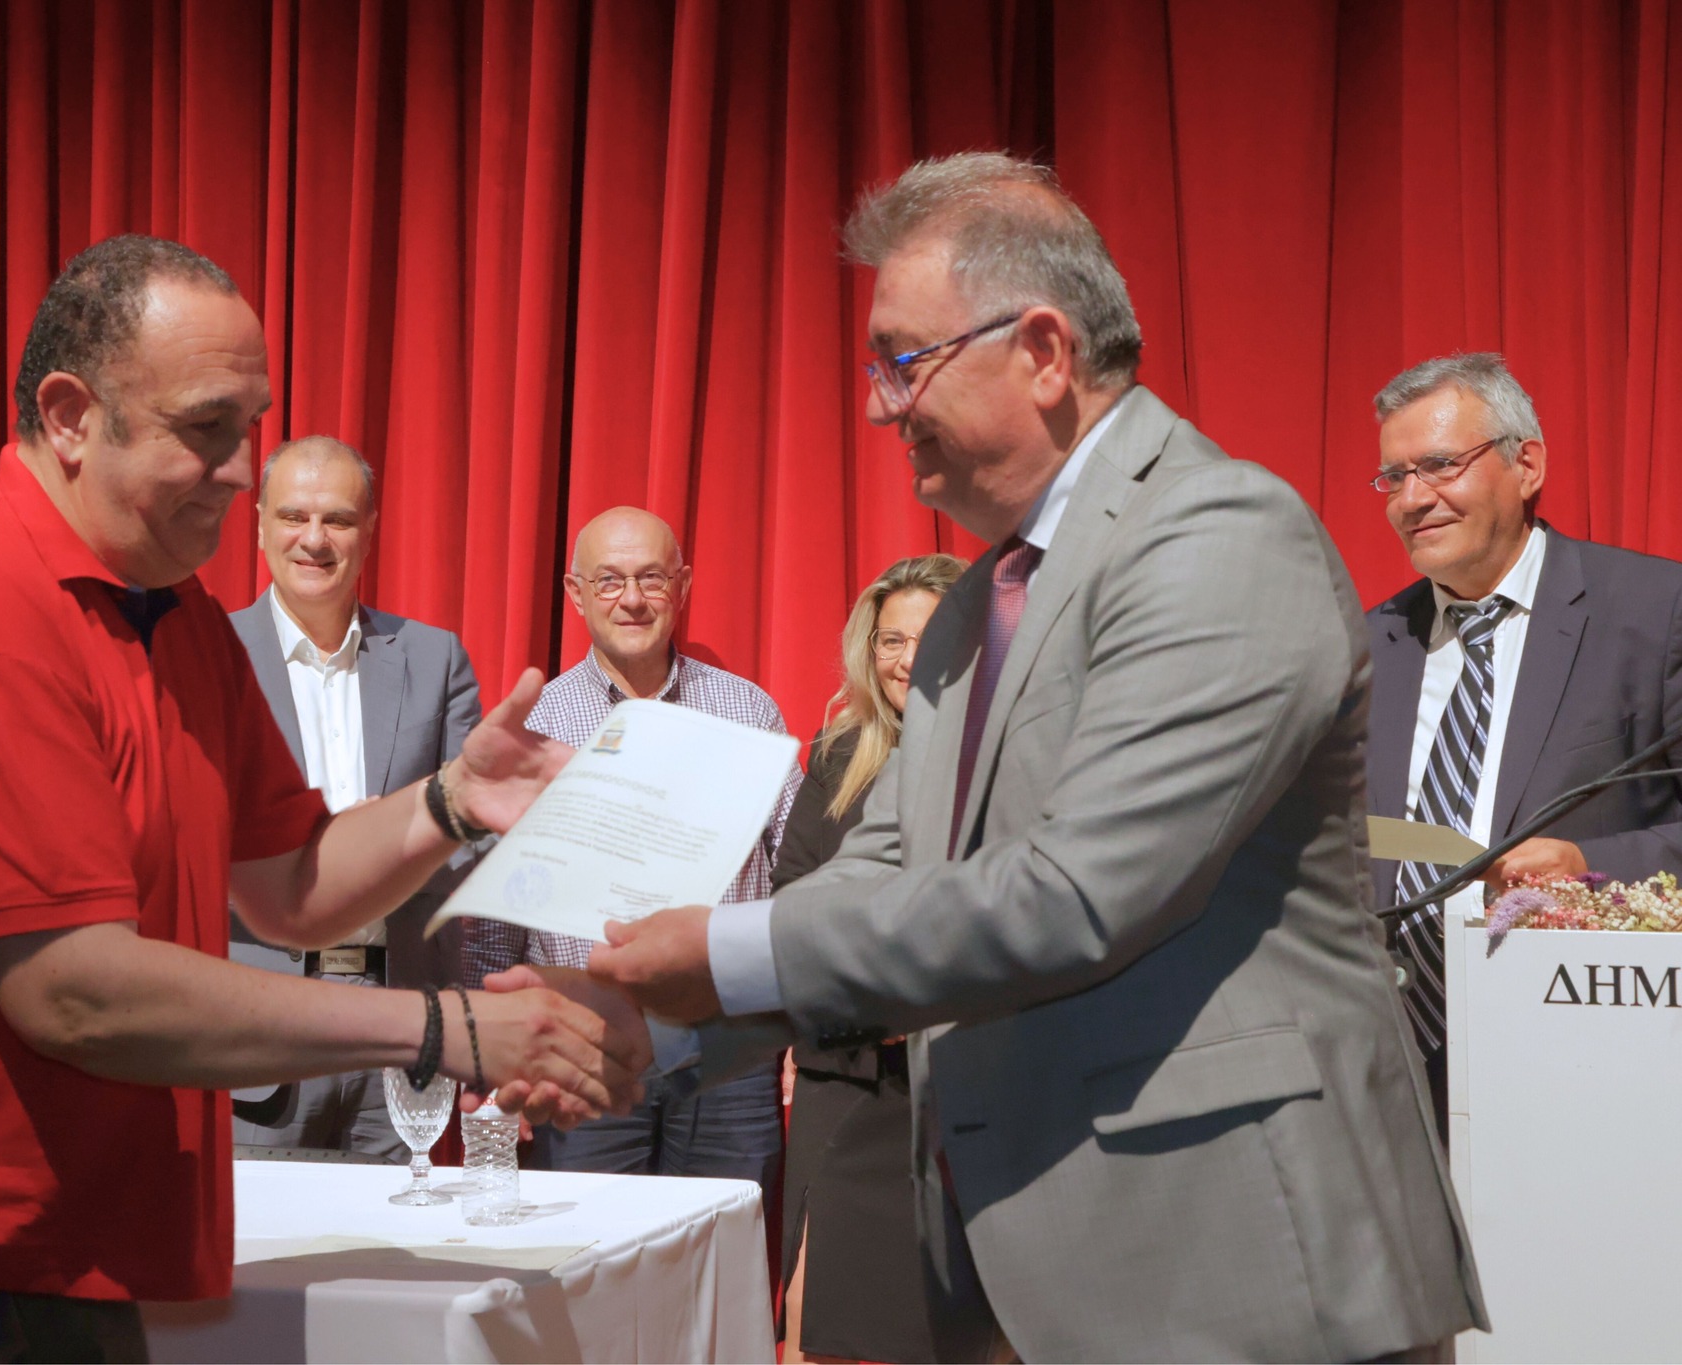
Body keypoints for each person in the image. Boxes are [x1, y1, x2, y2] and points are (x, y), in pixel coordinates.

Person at [0, 235, 645, 1362]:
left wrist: (451, 800)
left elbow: (290, 885)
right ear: (71, 416)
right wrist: (441, 1029)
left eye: (250, 426)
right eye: (205, 428)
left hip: (45, 1244)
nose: (242, 470)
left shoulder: (173, 614)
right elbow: (75, 992)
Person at [564, 153, 1485, 1361]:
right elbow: (886, 864)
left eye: (902, 361)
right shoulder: (975, 602)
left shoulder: (1215, 532)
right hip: (1024, 1260)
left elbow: (1077, 892)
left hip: (1233, 1263)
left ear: (1043, 352)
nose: (878, 407)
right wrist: (648, 1017)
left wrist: (730, 953)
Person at [1365, 351, 1682, 1126]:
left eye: (1440, 465)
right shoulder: (1368, 645)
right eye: (1394, 477)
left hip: (1587, 1065)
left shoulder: (1656, 611)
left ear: (1527, 463)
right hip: (1392, 1071)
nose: (1413, 498)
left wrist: (1589, 868)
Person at [463, 506, 800, 1192]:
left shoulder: (748, 714)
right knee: (587, 1246)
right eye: (610, 580)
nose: (633, 599)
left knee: (718, 1241)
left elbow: (795, 867)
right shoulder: (537, 725)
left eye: (651, 578)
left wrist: (798, 1013)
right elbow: (497, 908)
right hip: (579, 1044)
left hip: (727, 1043)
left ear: (682, 585)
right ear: (575, 593)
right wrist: (489, 1048)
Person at [228, 434, 486, 1160]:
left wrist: (383, 857)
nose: (314, 539)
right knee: (263, 1230)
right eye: (294, 516)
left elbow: (475, 833)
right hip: (262, 1026)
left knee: (397, 1231)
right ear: (259, 525)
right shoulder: (211, 657)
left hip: (396, 1026)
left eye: (337, 519)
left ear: (369, 530)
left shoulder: (434, 659)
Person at [777, 552, 964, 1365]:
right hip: (846, 1074)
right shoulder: (836, 753)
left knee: (954, 1328)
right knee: (815, 1317)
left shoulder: (1011, 757)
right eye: (892, 639)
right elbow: (791, 898)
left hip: (959, 1081)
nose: (907, 659)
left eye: (930, 635)